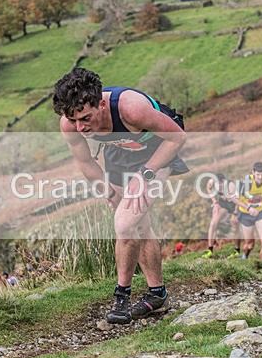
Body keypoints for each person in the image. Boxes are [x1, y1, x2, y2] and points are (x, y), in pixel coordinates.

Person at [53, 67, 188, 325]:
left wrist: (145, 174)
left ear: (101, 104)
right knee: (138, 223)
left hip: (157, 148)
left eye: (85, 118)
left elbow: (178, 138)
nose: (80, 128)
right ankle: (158, 295)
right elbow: (85, 161)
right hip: (119, 151)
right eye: (73, 120)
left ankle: (121, 296)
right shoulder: (70, 125)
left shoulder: (131, 109)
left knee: (125, 222)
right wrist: (105, 188)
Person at [232, 162, 262, 260]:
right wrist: (248, 208)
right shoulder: (245, 182)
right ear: (253, 172)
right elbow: (234, 198)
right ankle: (245, 256)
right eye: (258, 174)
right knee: (250, 245)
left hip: (260, 212)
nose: (260, 177)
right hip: (245, 214)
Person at [202, 173, 240, 259]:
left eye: (221, 185)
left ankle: (237, 250)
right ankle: (210, 250)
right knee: (213, 223)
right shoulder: (211, 182)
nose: (219, 187)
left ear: (224, 182)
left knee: (235, 225)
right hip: (223, 203)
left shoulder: (231, 186)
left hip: (235, 204)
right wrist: (215, 202)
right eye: (217, 185)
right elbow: (209, 189)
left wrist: (235, 213)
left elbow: (239, 200)